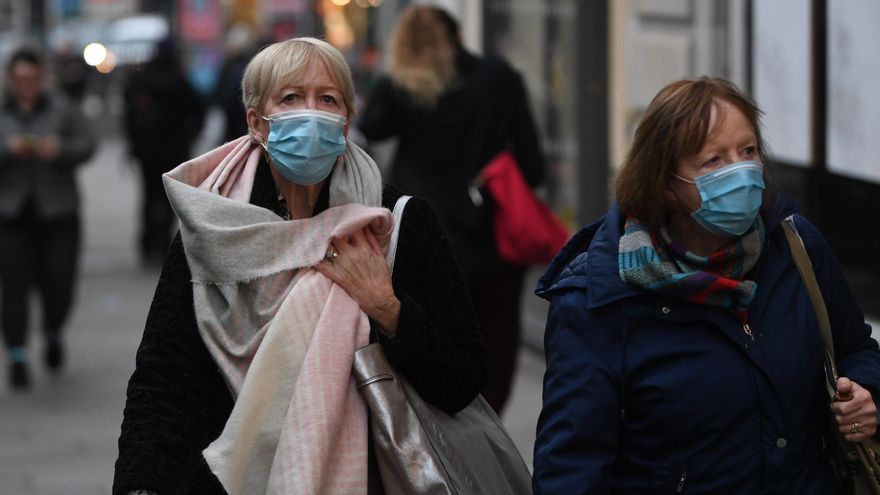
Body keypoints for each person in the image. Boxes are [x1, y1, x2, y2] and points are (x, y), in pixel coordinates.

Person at [112, 37, 487, 494]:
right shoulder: (215, 232)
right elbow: (165, 379)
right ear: (257, 123)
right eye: (291, 98)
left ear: (346, 121)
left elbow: (462, 380)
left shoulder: (395, 224)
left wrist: (387, 307)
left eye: (327, 99)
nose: (311, 113)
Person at [532, 77, 880, 493]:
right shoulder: (598, 299)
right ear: (665, 183)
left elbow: (856, 349)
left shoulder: (796, 247)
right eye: (713, 160)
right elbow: (571, 469)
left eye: (748, 151)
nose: (741, 171)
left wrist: (866, 392)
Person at [358, 5, 545, 414]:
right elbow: (532, 165)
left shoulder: (402, 86)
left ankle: (441, 444)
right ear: (460, 37)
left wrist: (391, 76)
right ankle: (486, 438)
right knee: (494, 350)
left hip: (416, 238)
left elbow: (371, 126)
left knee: (427, 344)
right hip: (488, 237)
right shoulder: (500, 79)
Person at [0, 46, 96, 390]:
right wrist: (7, 150)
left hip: (58, 213)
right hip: (10, 216)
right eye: (19, 78)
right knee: (13, 288)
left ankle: (54, 330)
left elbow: (88, 144)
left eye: (31, 78)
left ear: (41, 79)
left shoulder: (62, 108)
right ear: (10, 80)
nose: (25, 85)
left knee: (59, 283)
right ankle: (18, 356)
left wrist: (60, 150)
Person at [123, 36, 205, 265]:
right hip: (174, 151)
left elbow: (128, 117)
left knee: (148, 196)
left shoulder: (138, 80)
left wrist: (132, 144)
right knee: (169, 198)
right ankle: (162, 243)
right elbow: (198, 110)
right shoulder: (179, 80)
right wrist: (190, 135)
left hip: (146, 151)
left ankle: (147, 243)